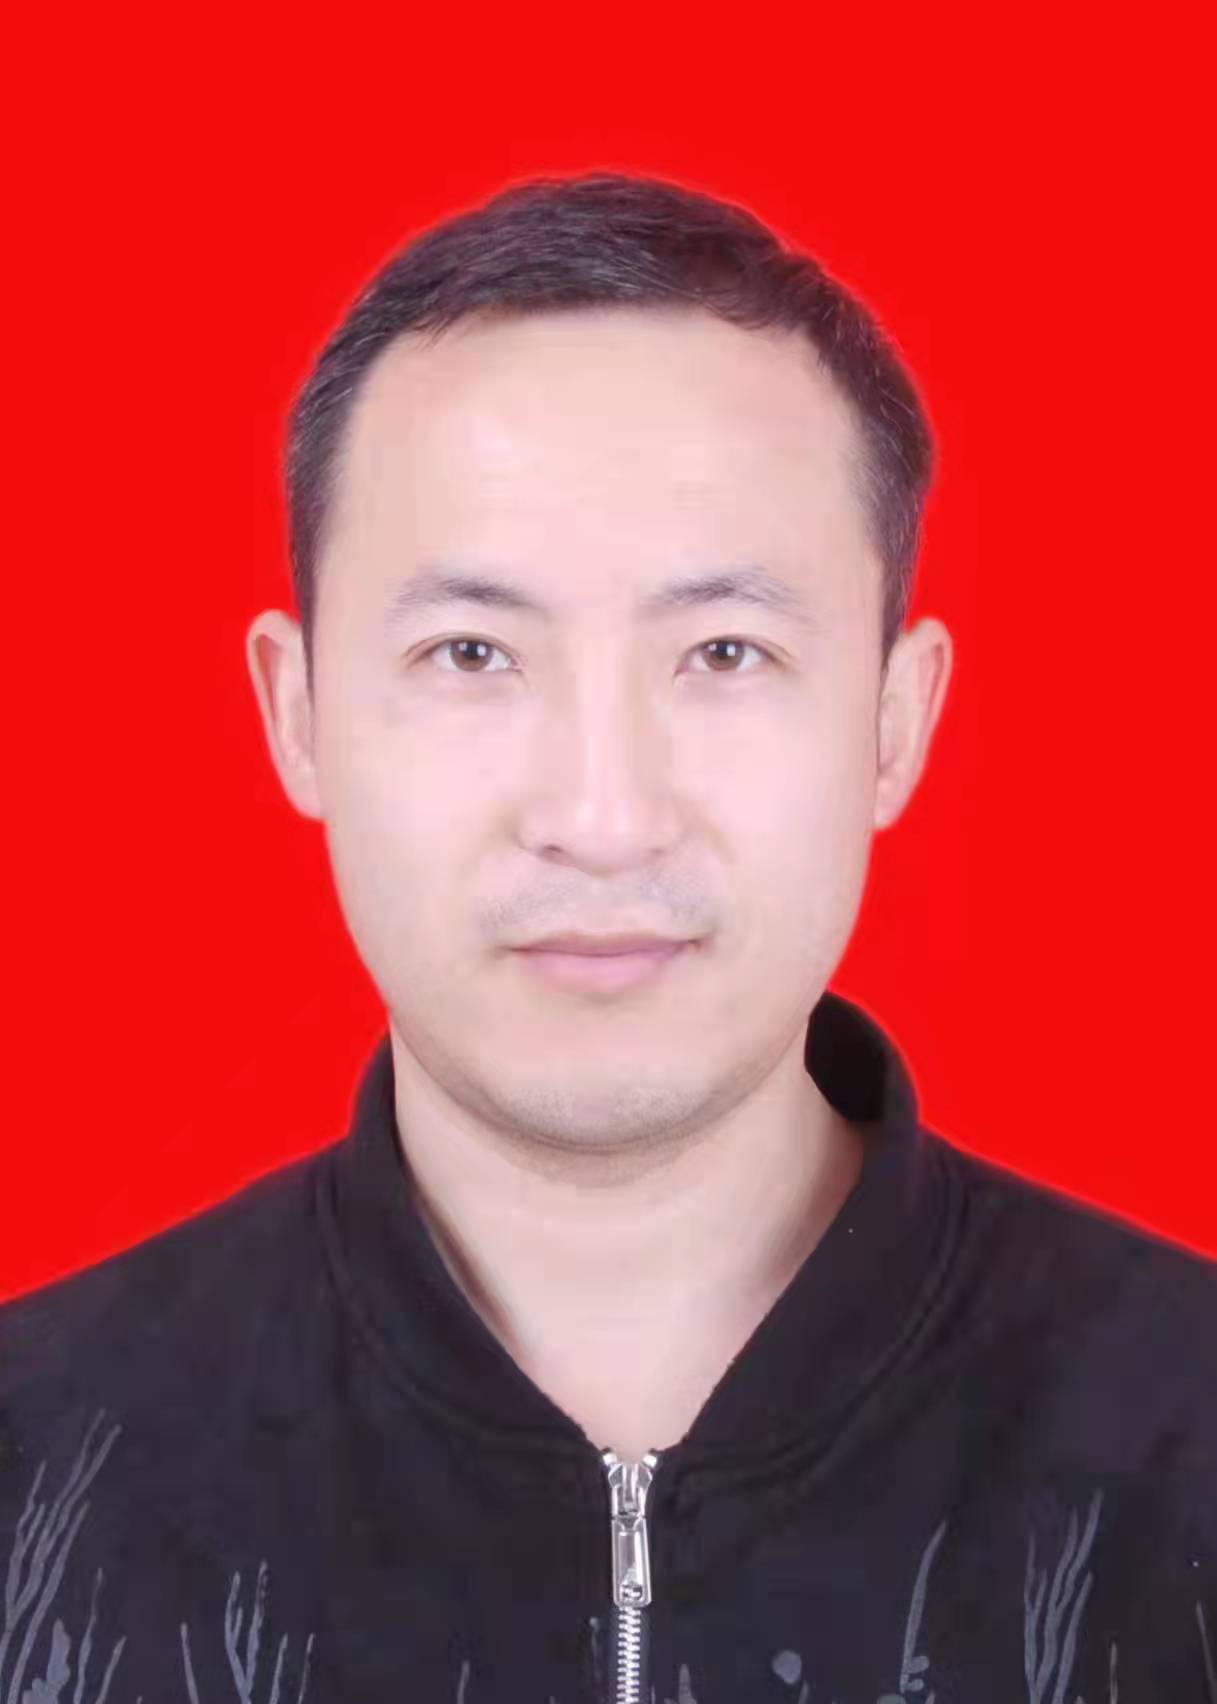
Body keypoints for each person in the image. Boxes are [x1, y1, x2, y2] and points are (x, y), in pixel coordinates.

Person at [0, 172, 1213, 1704]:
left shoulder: (1185, 1446)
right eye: (469, 652)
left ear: (894, 723)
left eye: (724, 652)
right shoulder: (36, 1469)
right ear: (295, 713)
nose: (600, 815)